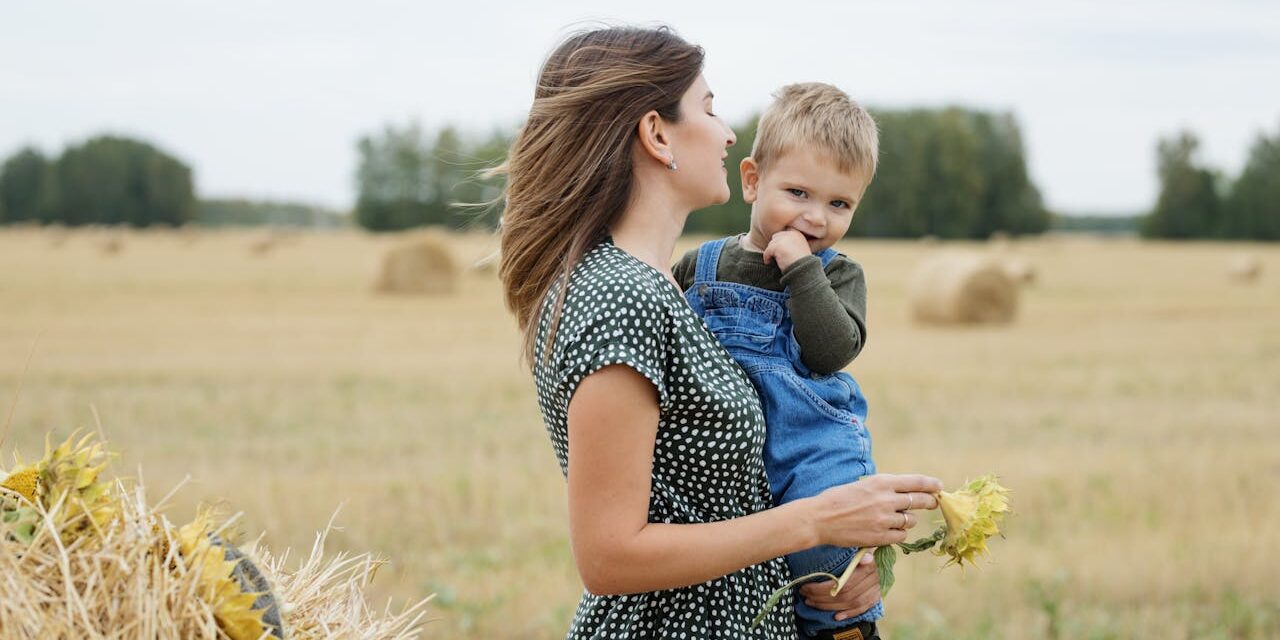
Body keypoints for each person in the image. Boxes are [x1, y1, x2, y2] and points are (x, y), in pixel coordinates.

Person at [497, 25, 942, 639]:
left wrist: (834, 557)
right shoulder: (622, 295)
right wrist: (817, 521)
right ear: (658, 135)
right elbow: (609, 557)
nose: (730, 133)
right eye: (708, 109)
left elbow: (724, 497)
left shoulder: (656, 287)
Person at [673, 82, 884, 639]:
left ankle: (846, 631)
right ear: (751, 181)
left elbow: (831, 351)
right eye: (798, 193)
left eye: (839, 204)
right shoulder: (702, 265)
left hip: (812, 445)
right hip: (733, 452)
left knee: (828, 569)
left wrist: (801, 270)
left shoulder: (838, 273)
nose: (815, 217)